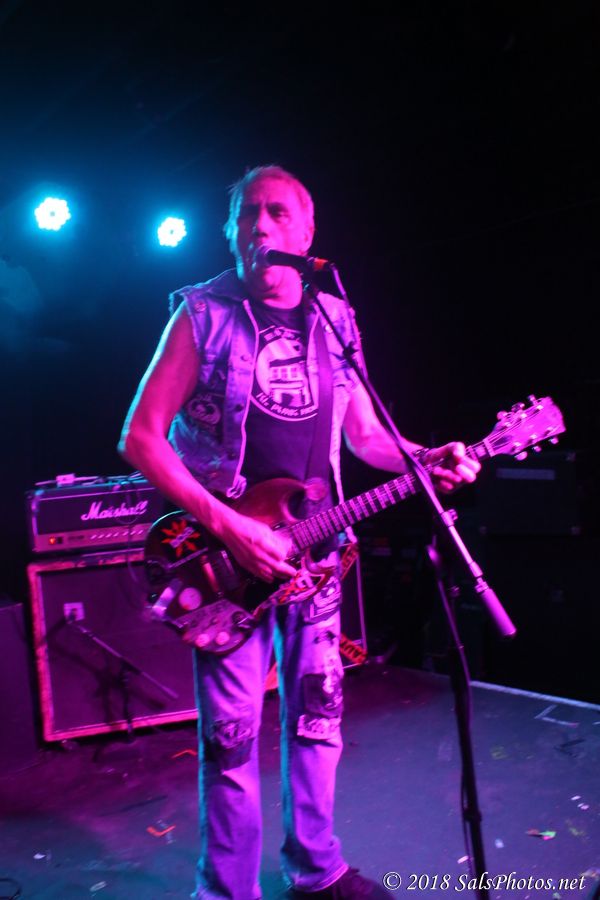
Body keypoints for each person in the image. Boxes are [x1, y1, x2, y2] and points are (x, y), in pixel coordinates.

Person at [119, 165, 480, 899]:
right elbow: (140, 437)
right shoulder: (201, 314)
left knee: (318, 717)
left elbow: (366, 436)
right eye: (248, 214)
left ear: (308, 233)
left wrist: (426, 458)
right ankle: (228, 890)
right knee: (231, 740)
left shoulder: (334, 317)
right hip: (225, 563)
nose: (261, 225)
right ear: (231, 233)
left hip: (318, 558)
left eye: (278, 213)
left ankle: (316, 869)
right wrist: (229, 526)